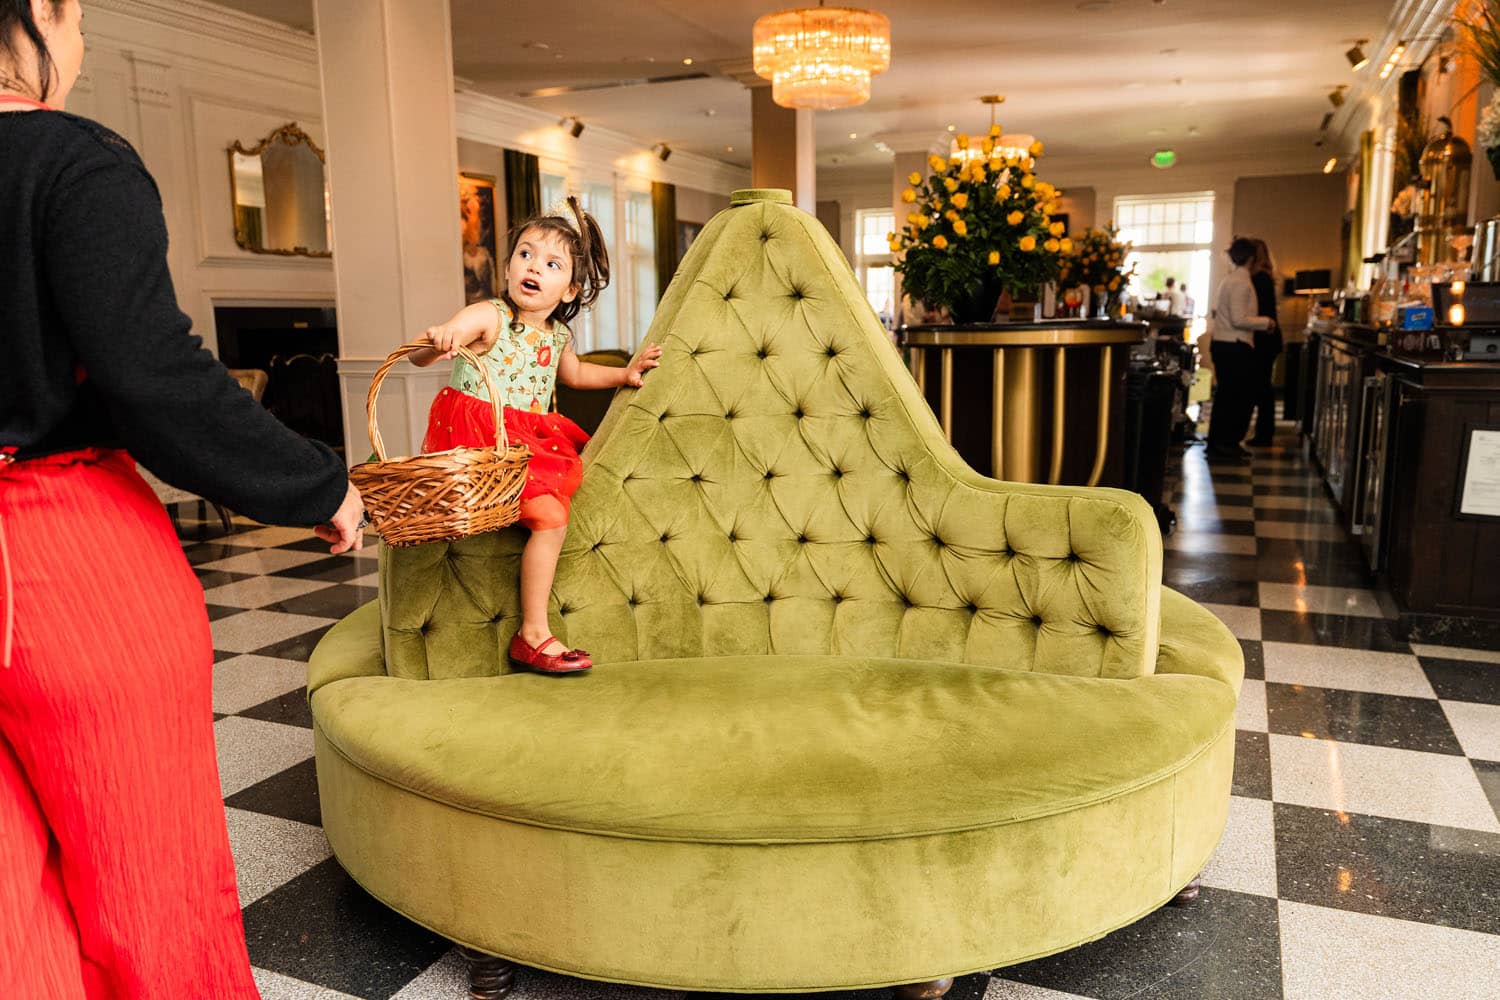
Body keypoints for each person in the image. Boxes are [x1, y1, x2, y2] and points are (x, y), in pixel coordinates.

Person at [0, 1, 366, 996]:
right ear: (40, 12)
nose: (79, 45)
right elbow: (151, 378)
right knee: (147, 886)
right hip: (63, 553)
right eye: (77, 19)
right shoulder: (71, 160)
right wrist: (315, 481)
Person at [413, 197, 662, 676]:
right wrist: (441, 337)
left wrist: (625, 375)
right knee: (539, 510)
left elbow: (575, 375)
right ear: (508, 268)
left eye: (551, 264)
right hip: (479, 440)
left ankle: (532, 633)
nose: (533, 267)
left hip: (526, 442)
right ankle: (531, 630)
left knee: (554, 514)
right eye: (525, 255)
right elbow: (425, 353)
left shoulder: (557, 337)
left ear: (568, 290)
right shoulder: (488, 316)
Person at [1206, 237, 1274, 461]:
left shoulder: (1231, 279)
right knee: (1235, 398)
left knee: (1228, 396)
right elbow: (1238, 319)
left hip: (1226, 344)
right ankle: (1226, 443)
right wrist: (1266, 322)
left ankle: (1220, 443)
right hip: (1234, 345)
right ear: (1252, 258)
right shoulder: (1240, 282)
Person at [1246, 238, 1282, 446]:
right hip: (1267, 338)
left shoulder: (1260, 279)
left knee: (1261, 387)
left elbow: (1261, 313)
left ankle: (1264, 433)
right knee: (1263, 386)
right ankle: (1263, 432)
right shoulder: (1265, 277)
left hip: (1264, 340)